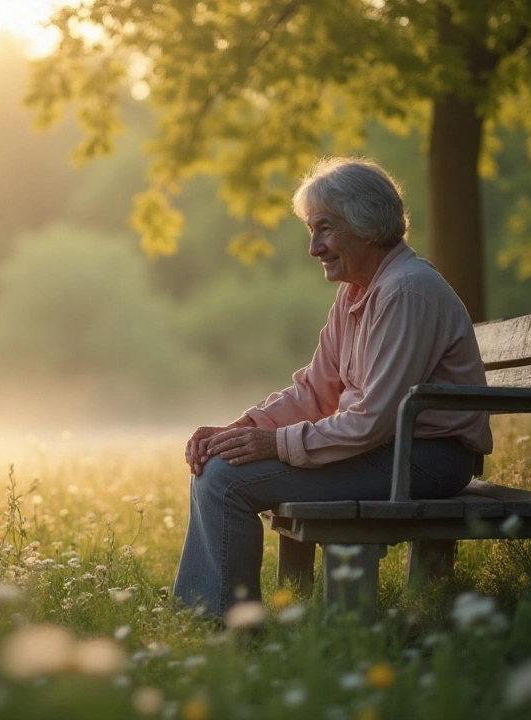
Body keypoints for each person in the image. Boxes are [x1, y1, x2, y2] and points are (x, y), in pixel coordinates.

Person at [173, 157, 492, 616]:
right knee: (220, 462)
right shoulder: (358, 293)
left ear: (365, 225)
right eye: (310, 230)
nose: (313, 248)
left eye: (324, 229)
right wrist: (242, 428)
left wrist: (273, 444)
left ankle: (221, 627)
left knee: (225, 480)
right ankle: (210, 619)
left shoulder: (406, 292)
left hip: (425, 459)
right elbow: (314, 390)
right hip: (390, 450)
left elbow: (373, 421)